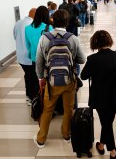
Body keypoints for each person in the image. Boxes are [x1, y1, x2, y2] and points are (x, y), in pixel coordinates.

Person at [34, 9, 86, 148]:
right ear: (67, 22)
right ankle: (66, 134)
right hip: (69, 80)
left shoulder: (44, 38)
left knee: (47, 109)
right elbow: (82, 59)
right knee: (68, 109)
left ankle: (41, 139)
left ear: (52, 21)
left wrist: (41, 78)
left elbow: (39, 61)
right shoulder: (73, 38)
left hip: (51, 82)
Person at [81, 30, 116, 159]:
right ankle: (101, 145)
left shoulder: (92, 59)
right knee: (107, 122)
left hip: (99, 96)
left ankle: (112, 150)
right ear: (109, 41)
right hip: (115, 95)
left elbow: (83, 76)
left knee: (106, 123)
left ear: (95, 43)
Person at [25, 6, 53, 105]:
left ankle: (37, 101)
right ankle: (47, 101)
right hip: (46, 58)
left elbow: (27, 44)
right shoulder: (49, 27)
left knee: (37, 79)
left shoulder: (27, 28)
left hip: (34, 57)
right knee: (47, 80)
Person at [13, 8, 36, 105]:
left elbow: (14, 36)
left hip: (20, 56)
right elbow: (34, 42)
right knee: (32, 77)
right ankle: (32, 97)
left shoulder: (18, 23)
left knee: (27, 75)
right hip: (29, 56)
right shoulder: (32, 25)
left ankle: (28, 95)